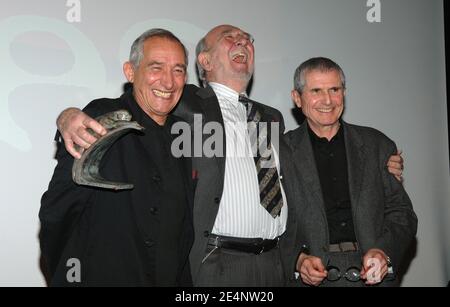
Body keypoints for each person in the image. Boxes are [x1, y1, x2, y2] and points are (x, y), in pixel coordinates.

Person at [53, 25, 404, 286]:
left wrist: (380, 165)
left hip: (276, 265)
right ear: (204, 61)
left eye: (247, 39)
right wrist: (68, 116)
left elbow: (304, 172)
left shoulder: (272, 118)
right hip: (216, 263)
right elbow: (135, 100)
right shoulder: (183, 103)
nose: (242, 43)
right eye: (229, 39)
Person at [39, 29, 194, 286]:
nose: (168, 82)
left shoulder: (185, 135)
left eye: (178, 70)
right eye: (156, 67)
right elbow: (56, 213)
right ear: (130, 72)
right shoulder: (102, 118)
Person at [285, 57, 418, 287]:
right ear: (297, 98)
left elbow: (402, 214)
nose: (327, 100)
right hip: (309, 279)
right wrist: (297, 259)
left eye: (334, 89)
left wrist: (383, 252)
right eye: (316, 90)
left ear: (344, 93)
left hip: (373, 277)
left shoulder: (377, 145)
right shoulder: (280, 151)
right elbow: (267, 222)